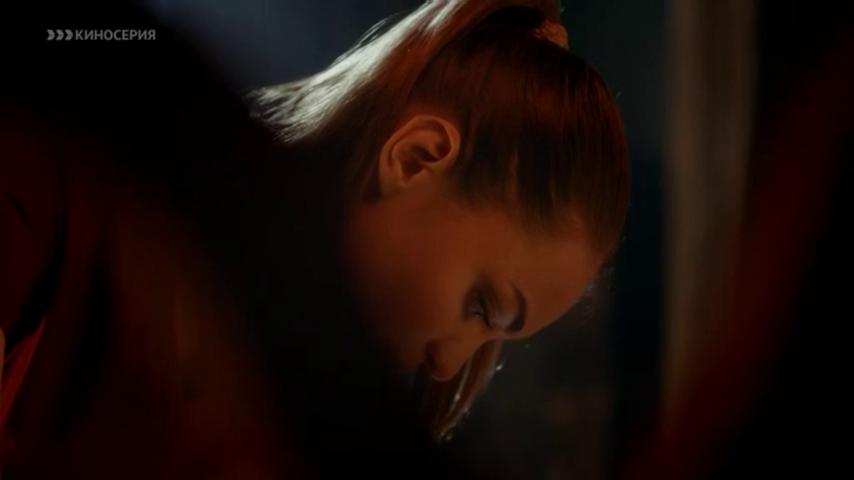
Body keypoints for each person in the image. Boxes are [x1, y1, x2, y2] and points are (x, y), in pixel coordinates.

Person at [0, 0, 628, 476]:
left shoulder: (286, 424)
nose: (447, 363)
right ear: (415, 157)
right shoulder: (61, 180)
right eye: (483, 306)